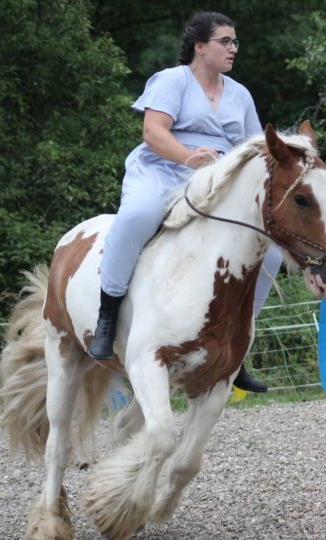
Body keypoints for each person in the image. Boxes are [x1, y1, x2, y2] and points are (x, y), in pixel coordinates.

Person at [88, 11, 280, 393]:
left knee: (270, 253)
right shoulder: (172, 80)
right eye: (225, 41)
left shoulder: (239, 94)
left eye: (235, 41)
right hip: (164, 171)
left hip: (217, 183)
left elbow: (256, 148)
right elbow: (152, 132)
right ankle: (107, 316)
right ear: (199, 47)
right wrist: (189, 157)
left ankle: (236, 350)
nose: (233, 48)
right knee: (137, 216)